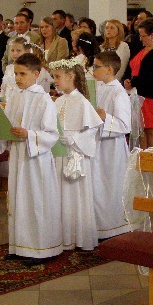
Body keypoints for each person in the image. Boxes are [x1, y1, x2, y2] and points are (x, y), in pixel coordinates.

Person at [0, 53, 62, 266]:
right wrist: (0, 130)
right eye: (16, 74)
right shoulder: (15, 96)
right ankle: (20, 246)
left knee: (35, 201)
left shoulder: (44, 99)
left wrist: (29, 134)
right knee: (18, 200)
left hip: (35, 159)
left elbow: (52, 134)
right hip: (18, 156)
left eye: (22, 74)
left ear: (36, 74)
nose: (18, 78)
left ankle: (42, 249)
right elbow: (9, 124)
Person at [51, 58, 102, 251]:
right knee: (60, 193)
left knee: (75, 194)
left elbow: (93, 128)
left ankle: (78, 236)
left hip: (75, 153)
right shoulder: (59, 101)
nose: (55, 81)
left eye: (58, 77)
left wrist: (75, 139)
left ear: (70, 76)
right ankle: (61, 235)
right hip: (59, 153)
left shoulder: (82, 101)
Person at [91, 51, 131, 239]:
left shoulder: (118, 92)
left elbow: (125, 125)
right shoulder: (98, 88)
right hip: (97, 144)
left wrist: (105, 117)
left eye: (96, 66)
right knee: (97, 186)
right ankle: (98, 226)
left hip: (112, 148)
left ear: (109, 69)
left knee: (110, 186)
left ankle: (113, 226)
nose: (93, 70)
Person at [124, 18, 153, 150]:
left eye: (143, 35)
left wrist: (133, 82)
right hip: (138, 94)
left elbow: (152, 75)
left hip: (152, 95)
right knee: (141, 129)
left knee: (152, 129)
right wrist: (127, 80)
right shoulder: (141, 49)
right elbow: (131, 67)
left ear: (152, 35)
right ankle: (143, 157)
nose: (140, 39)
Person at [0, 36, 28, 101]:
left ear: (26, 51)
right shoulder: (9, 68)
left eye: (18, 51)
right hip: (6, 102)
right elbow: (4, 87)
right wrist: (1, 100)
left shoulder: (29, 69)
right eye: (12, 50)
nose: (14, 53)